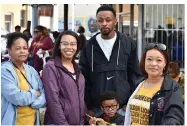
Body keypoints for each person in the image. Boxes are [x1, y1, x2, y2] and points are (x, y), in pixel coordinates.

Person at [79, 5, 142, 117]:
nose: (104, 23)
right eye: (100, 20)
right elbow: (84, 77)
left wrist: (128, 102)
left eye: (108, 20)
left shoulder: (128, 43)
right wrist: (89, 106)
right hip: (97, 110)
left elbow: (135, 75)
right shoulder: (89, 46)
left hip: (122, 108)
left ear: (115, 21)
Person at [124, 43, 184, 125]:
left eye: (159, 60)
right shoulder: (137, 83)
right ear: (144, 61)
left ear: (165, 64)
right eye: (149, 59)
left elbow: (174, 116)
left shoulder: (172, 87)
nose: (153, 64)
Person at [42, 30, 87, 125]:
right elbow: (53, 101)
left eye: (73, 44)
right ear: (58, 45)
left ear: (77, 47)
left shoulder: (78, 68)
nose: (69, 47)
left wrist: (86, 119)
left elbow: (80, 98)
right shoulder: (51, 67)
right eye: (65, 44)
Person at [1, 32, 46, 125]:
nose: (22, 51)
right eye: (18, 48)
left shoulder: (32, 70)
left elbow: (43, 94)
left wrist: (34, 103)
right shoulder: (4, 71)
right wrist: (34, 93)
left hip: (32, 122)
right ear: (9, 51)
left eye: (25, 48)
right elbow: (16, 97)